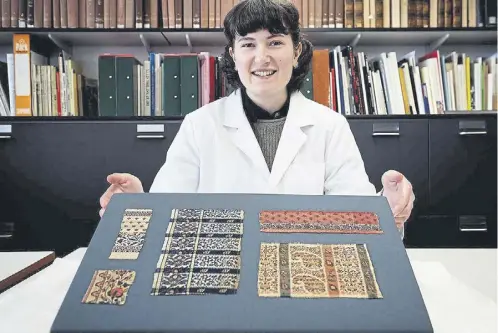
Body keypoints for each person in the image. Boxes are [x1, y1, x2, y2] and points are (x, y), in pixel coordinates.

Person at [99, 0, 414, 235]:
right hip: (221, 277)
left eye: (275, 42)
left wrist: (387, 210)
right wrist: (136, 207)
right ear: (234, 55)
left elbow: (357, 218)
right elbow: (165, 217)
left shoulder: (330, 125)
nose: (261, 57)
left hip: (306, 273)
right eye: (248, 44)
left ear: (296, 51)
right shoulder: (200, 124)